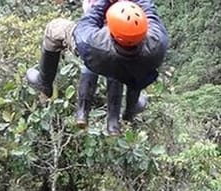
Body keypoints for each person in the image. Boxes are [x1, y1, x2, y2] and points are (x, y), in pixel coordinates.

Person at [26, 0, 169, 135]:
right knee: (136, 72)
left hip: (98, 58)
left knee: (54, 29)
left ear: (111, 33)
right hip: (137, 66)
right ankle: (130, 110)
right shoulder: (158, 42)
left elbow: (89, 19)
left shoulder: (92, 41)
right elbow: (149, 9)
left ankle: (44, 82)